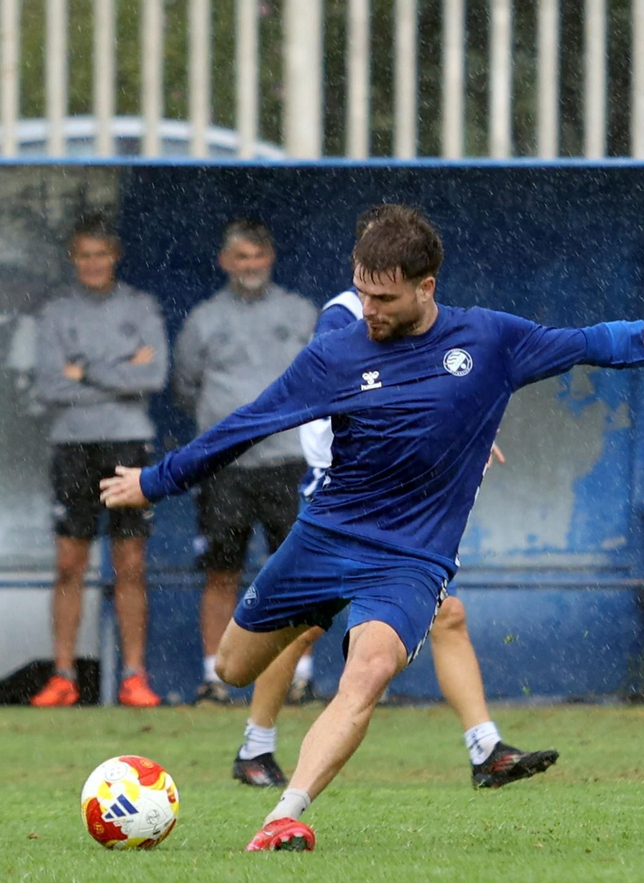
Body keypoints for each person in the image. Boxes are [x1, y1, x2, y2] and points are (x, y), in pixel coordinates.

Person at [100, 204, 644, 851]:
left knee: (369, 670)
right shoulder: (335, 354)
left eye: (382, 298)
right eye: (361, 292)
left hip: (410, 559)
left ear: (426, 287)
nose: (369, 310)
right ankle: (273, 702)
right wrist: (154, 481)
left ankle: (285, 814)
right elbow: (249, 423)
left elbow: (601, 342)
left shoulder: (489, 341)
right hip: (324, 537)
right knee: (236, 667)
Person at [229, 212, 557, 792]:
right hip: (342, 489)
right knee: (300, 626)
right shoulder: (345, 316)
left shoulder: (419, 324)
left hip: (389, 505)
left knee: (446, 614)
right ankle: (256, 745)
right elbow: (345, 399)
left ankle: (486, 747)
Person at [172, 218, 317, 709]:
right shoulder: (203, 318)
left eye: (258, 256)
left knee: (295, 573)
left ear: (270, 258)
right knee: (221, 572)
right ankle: (215, 677)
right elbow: (186, 387)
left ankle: (298, 675)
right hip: (225, 467)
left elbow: (325, 377)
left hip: (289, 461)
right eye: (241, 257)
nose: (250, 266)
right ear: (225, 261)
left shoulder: (300, 312)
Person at [30, 213, 169, 709]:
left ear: (115, 256)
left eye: (101, 254)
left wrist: (84, 371)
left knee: (129, 562)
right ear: (74, 258)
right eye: (84, 255)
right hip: (72, 446)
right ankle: (63, 675)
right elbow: (49, 385)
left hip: (129, 444)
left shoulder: (141, 306)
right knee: (70, 563)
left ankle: (134, 676)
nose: (93, 263)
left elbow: (154, 378)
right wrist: (118, 374)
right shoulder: (55, 312)